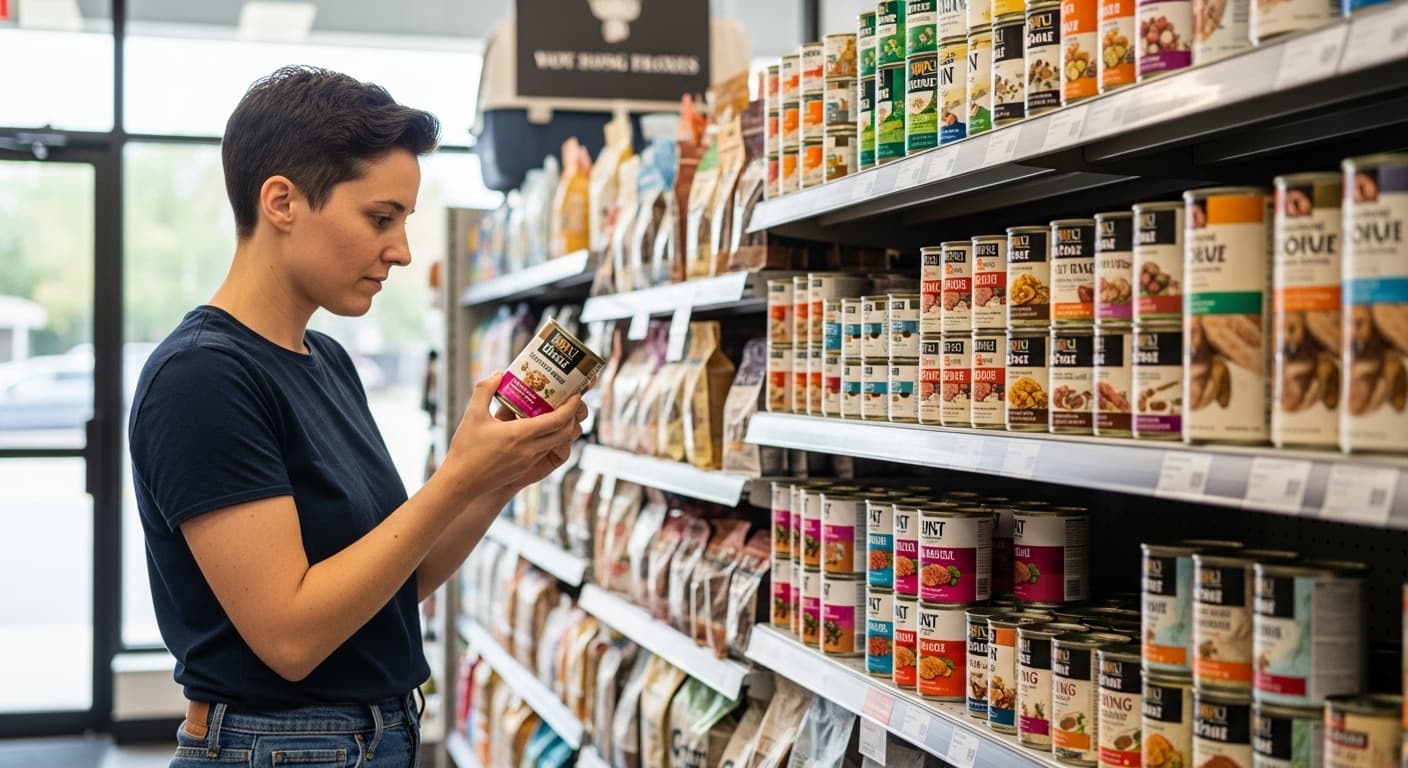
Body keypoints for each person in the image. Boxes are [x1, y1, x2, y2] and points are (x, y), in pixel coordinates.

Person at [128, 65, 584, 767]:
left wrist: (499, 477)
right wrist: (456, 478)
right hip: (280, 749)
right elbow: (290, 638)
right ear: (282, 201)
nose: (401, 250)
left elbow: (395, 585)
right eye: (380, 218)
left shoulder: (328, 361)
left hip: (372, 737)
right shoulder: (202, 378)